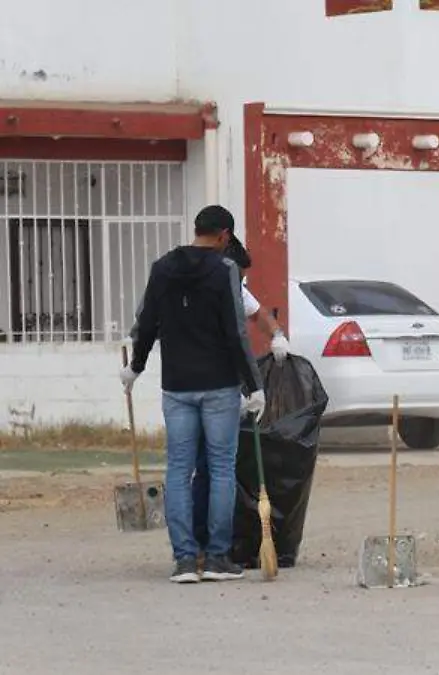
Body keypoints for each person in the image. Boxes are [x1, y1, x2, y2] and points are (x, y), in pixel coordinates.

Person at [120, 204, 264, 584]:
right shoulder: (225, 269)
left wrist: (136, 366)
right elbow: (235, 331)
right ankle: (216, 558)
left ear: (197, 230)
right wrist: (254, 386)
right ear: (224, 236)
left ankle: (185, 560)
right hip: (219, 386)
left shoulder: (161, 268)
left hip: (177, 386)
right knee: (221, 468)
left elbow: (147, 322)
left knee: (179, 470)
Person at [191, 237, 290, 556]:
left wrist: (277, 335)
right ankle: (205, 545)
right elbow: (233, 341)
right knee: (209, 468)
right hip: (202, 388)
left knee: (214, 468)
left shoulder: (233, 285)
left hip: (221, 389)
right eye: (240, 277)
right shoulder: (203, 289)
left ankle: (212, 545)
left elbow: (258, 313)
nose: (241, 284)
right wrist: (249, 388)